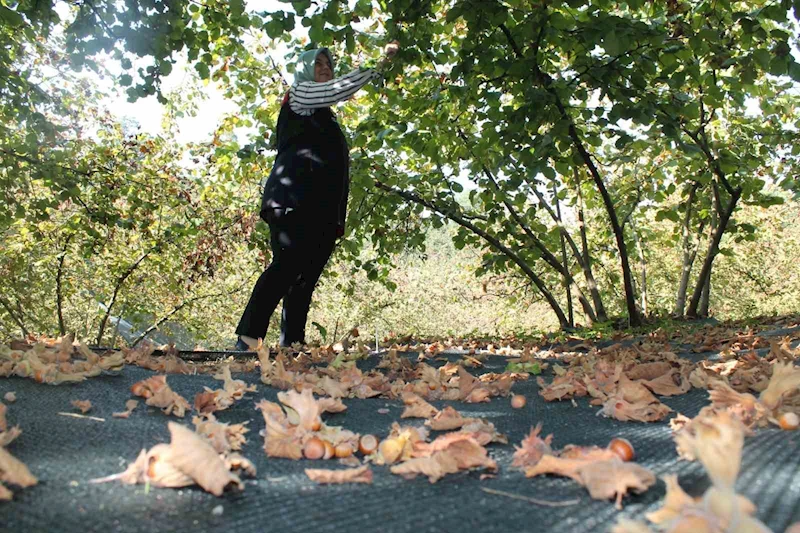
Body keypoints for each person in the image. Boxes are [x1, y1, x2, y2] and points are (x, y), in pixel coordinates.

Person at [234, 43, 399, 351]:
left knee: (305, 276)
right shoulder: (299, 96)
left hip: (322, 210)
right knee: (287, 265)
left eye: (329, 65)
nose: (326, 68)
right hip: (292, 199)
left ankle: (292, 343)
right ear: (306, 69)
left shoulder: (326, 117)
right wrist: (377, 65)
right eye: (319, 63)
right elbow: (337, 90)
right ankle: (248, 336)